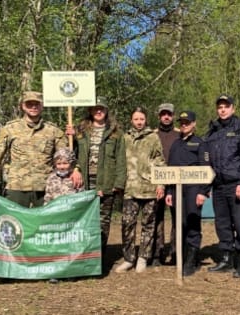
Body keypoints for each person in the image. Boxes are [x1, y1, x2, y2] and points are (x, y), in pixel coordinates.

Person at [0, 91, 82, 205]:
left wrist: (75, 170)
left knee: (45, 222)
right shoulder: (10, 129)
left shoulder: (53, 130)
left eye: (37, 104)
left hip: (45, 186)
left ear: (42, 106)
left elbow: (66, 156)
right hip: (17, 186)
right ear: (23, 106)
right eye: (29, 104)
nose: (33, 107)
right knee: (16, 220)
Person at [66, 96, 127, 265]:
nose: (98, 111)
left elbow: (121, 159)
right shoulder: (80, 131)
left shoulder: (116, 133)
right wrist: (69, 137)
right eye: (95, 108)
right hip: (84, 181)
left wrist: (119, 183)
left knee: (103, 221)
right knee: (83, 220)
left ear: (106, 111)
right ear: (90, 111)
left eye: (101, 108)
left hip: (106, 181)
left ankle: (98, 258)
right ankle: (81, 256)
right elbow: (69, 153)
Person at [205, 94, 240, 278]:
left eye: (226, 106)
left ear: (233, 108)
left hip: (236, 184)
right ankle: (226, 258)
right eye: (220, 107)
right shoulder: (212, 131)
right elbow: (206, 160)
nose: (223, 110)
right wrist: (207, 185)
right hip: (218, 185)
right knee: (222, 223)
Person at [115, 107, 166, 273]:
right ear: (131, 120)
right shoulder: (124, 138)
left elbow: (160, 161)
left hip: (149, 188)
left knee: (148, 225)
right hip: (130, 189)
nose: (139, 122)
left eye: (141, 119)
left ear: (146, 120)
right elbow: (119, 162)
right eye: (136, 119)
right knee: (127, 224)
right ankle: (129, 258)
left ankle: (143, 257)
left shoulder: (153, 137)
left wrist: (161, 184)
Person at [165, 111, 210, 276]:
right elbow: (171, 170)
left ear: (194, 124)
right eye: (182, 122)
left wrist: (203, 192)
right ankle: (182, 257)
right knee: (179, 224)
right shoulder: (176, 144)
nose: (184, 125)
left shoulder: (200, 144)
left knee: (192, 223)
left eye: (187, 122)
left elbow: (206, 169)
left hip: (193, 190)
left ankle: (192, 261)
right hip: (177, 190)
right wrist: (169, 191)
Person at [43, 147, 85, 284]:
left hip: (71, 219)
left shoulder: (76, 178)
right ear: (55, 164)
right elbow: (47, 197)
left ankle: (71, 270)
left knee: (70, 245)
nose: (62, 166)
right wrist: (46, 212)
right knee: (56, 245)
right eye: (59, 163)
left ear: (71, 163)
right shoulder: (51, 178)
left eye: (65, 163)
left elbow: (81, 197)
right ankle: (55, 271)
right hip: (55, 218)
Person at [152, 103, 180, 266]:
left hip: (176, 182)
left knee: (177, 218)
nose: (166, 117)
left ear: (173, 116)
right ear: (159, 116)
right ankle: (157, 253)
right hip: (157, 181)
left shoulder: (179, 134)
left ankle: (176, 252)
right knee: (157, 218)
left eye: (169, 114)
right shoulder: (152, 134)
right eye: (163, 114)